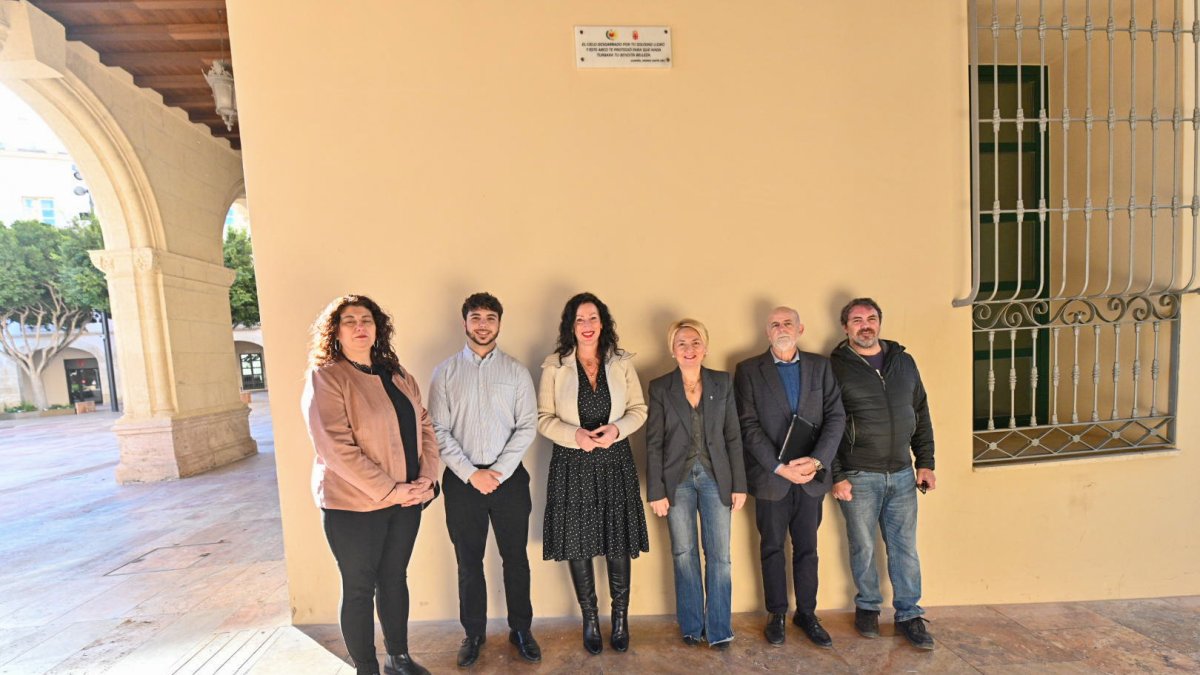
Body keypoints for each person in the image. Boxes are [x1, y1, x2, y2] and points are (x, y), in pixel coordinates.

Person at [301, 294, 439, 675]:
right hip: (353, 507)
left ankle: (399, 657)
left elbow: (425, 426)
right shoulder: (327, 378)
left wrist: (427, 478)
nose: (360, 326)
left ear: (378, 328)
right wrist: (392, 490)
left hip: (408, 501)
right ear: (336, 332)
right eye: (350, 321)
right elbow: (335, 448)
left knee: (394, 579)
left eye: (367, 319)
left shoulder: (397, 375)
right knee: (360, 589)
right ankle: (366, 667)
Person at [428, 292, 541, 667]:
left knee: (516, 559)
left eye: (490, 318)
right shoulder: (444, 373)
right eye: (476, 317)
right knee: (468, 562)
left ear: (499, 324)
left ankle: (521, 630)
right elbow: (438, 430)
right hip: (463, 484)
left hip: (508, 481)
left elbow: (527, 426)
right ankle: (473, 634)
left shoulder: (516, 371)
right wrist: (471, 474)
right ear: (465, 323)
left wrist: (498, 471)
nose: (482, 324)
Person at [538, 292, 649, 655]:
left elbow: (638, 409)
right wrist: (576, 436)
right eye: (580, 320)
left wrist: (616, 430)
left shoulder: (621, 362)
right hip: (573, 463)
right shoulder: (554, 365)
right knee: (577, 543)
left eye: (593, 318)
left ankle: (620, 618)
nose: (587, 326)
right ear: (571, 326)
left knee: (617, 541)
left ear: (603, 323)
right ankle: (590, 618)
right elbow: (543, 419)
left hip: (616, 461)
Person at [734, 306, 845, 648]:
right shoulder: (749, 370)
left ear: (800, 328)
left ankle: (807, 613)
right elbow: (748, 426)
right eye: (774, 324)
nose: (781, 328)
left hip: (811, 478)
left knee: (808, 549)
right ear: (767, 332)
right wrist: (780, 468)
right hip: (772, 479)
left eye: (787, 323)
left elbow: (835, 417)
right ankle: (777, 613)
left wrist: (816, 462)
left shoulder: (821, 366)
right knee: (771, 548)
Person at [829, 297, 936, 650]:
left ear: (880, 323)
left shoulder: (903, 362)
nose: (865, 325)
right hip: (859, 474)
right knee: (862, 546)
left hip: (903, 473)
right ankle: (868, 607)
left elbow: (920, 410)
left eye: (871, 318)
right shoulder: (835, 367)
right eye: (857, 319)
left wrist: (926, 462)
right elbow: (825, 425)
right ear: (845, 327)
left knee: (905, 547)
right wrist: (836, 474)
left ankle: (909, 614)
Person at [645, 319, 747, 650]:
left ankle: (719, 628)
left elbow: (733, 436)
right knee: (683, 552)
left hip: (717, 478)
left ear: (705, 347)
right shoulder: (661, 387)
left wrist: (739, 484)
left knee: (720, 555)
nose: (689, 350)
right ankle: (691, 626)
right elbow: (653, 443)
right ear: (672, 350)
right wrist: (657, 491)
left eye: (694, 343)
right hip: (677, 482)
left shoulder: (723, 382)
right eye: (681, 344)